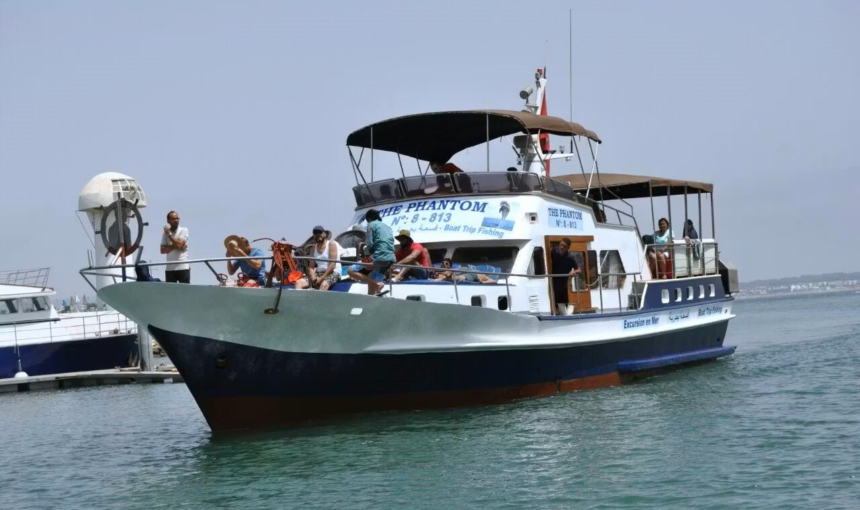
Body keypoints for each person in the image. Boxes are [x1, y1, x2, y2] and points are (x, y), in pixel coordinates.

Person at [346, 209, 396, 295]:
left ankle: (377, 283)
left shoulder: (370, 225)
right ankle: (372, 295)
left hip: (378, 256)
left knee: (350, 271)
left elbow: (370, 243)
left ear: (368, 219)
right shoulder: (387, 227)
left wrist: (366, 254)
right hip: (390, 258)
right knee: (372, 278)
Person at [295, 225, 342, 291]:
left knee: (324, 285)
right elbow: (311, 266)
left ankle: (319, 301)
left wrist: (321, 278)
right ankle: (300, 301)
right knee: (298, 283)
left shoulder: (331, 244)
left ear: (324, 234)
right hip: (319, 273)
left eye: (320, 232)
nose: (318, 235)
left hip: (333, 272)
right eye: (315, 233)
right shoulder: (313, 248)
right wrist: (313, 277)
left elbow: (332, 265)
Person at [550, 238, 582, 315]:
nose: (562, 247)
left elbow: (579, 270)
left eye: (564, 246)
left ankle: (564, 314)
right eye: (561, 245)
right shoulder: (554, 251)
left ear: (568, 248)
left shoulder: (570, 257)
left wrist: (573, 271)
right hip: (552, 281)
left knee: (562, 300)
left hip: (563, 283)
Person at [161, 211, 190, 283]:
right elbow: (162, 250)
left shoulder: (184, 230)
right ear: (168, 221)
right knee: (170, 293)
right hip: (170, 268)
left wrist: (169, 235)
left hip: (183, 267)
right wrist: (178, 246)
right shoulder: (165, 233)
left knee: (185, 292)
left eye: (177, 219)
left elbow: (179, 245)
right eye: (173, 219)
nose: (176, 221)